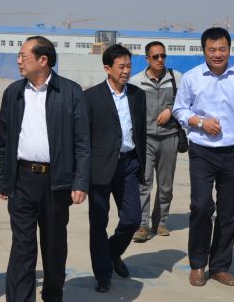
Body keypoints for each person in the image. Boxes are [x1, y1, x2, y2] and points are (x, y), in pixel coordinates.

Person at [172, 27, 234, 287]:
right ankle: (197, 264)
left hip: (233, 153)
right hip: (202, 152)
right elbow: (179, 109)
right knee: (201, 207)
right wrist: (200, 122)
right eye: (212, 49)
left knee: (230, 211)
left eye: (222, 49)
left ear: (229, 49)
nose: (218, 54)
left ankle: (219, 266)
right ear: (204, 50)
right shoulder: (192, 78)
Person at [0, 35, 90, 302]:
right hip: (22, 180)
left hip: (56, 182)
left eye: (23, 56)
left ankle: (52, 294)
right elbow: (3, 141)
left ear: (43, 60)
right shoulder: (13, 92)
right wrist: (2, 177)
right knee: (22, 247)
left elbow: (82, 142)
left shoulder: (70, 92)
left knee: (54, 246)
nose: (18, 61)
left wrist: (80, 181)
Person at [84, 44, 146, 293]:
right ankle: (102, 275)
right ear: (107, 68)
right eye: (121, 67)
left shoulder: (137, 95)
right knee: (98, 223)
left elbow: (140, 132)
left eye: (129, 66)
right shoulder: (91, 97)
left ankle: (110, 252)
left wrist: (141, 163)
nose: (126, 71)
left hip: (128, 164)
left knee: (132, 220)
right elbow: (83, 137)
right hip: (99, 168)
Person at [130, 41, 183, 242]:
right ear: (147, 59)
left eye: (163, 56)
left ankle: (160, 222)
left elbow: (187, 102)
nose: (160, 60)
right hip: (146, 140)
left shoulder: (176, 78)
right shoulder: (136, 82)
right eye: (155, 57)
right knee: (144, 183)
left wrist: (171, 110)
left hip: (169, 138)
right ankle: (142, 225)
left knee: (165, 185)